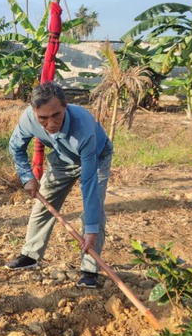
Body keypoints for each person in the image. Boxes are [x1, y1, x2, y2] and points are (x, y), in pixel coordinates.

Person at [6, 81, 113, 289]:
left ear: (65, 106)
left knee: (94, 212)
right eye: (43, 118)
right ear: (34, 112)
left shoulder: (83, 127)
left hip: (96, 157)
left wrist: (90, 229)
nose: (51, 123)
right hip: (63, 159)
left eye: (56, 115)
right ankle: (30, 255)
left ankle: (89, 270)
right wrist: (27, 177)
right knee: (42, 204)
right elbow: (16, 147)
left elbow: (89, 182)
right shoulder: (29, 118)